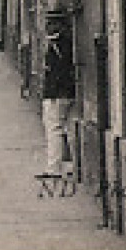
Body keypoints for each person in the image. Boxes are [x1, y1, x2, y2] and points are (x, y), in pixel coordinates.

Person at [40, 16, 76, 179]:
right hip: (67, 93)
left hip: (56, 94)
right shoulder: (69, 43)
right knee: (67, 128)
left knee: (54, 129)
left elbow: (55, 72)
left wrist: (52, 93)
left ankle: (54, 167)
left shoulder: (56, 46)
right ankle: (71, 166)